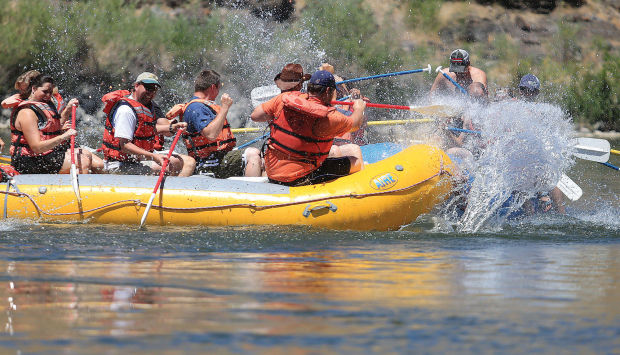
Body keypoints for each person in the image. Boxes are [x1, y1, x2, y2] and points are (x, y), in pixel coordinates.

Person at [250, 70, 366, 186]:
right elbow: (355, 124)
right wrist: (359, 108)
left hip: (273, 173)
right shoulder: (330, 118)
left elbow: (255, 116)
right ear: (327, 91)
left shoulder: (284, 99)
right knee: (355, 162)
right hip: (300, 177)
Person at [168, 69, 262, 178]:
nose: (218, 92)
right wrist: (225, 107)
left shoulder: (202, 106)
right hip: (207, 163)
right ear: (213, 87)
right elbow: (211, 135)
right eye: (219, 87)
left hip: (218, 158)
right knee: (253, 154)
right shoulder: (196, 107)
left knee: (263, 159)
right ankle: (250, 193)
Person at [101, 72, 195, 176]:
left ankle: (174, 190)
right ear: (136, 86)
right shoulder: (126, 110)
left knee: (187, 161)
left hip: (136, 160)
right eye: (148, 88)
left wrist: (172, 127)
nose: (151, 92)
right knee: (171, 164)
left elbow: (145, 130)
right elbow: (124, 145)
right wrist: (153, 156)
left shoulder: (145, 107)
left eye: (154, 89)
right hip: (119, 165)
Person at [9, 74, 97, 174]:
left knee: (89, 157)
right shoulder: (27, 113)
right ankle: (79, 187)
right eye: (44, 91)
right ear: (34, 89)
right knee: (82, 162)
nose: (48, 96)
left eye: (50, 92)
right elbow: (36, 147)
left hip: (43, 155)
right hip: (26, 161)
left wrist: (68, 109)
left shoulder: (43, 107)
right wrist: (64, 136)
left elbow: (53, 129)